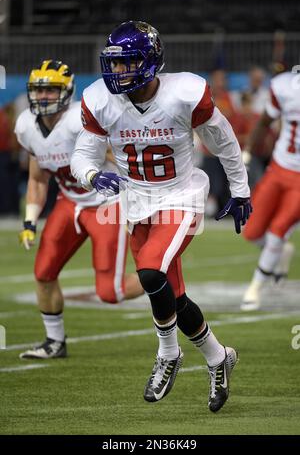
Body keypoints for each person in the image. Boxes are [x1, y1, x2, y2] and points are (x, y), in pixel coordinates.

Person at [71, 21, 252, 412]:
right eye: (114, 64)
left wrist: (240, 189)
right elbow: (81, 156)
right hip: (136, 202)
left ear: (150, 61)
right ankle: (220, 357)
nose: (117, 72)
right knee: (173, 295)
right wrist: (91, 174)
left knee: (150, 271)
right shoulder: (100, 100)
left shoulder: (184, 93)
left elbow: (225, 142)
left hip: (181, 195)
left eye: (126, 63)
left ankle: (168, 353)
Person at [17, 59, 143, 359]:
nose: (43, 97)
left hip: (105, 205)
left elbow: (123, 154)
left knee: (111, 293)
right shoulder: (25, 126)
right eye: (38, 91)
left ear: (67, 92)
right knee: (44, 272)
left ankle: (161, 276)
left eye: (51, 91)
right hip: (70, 201)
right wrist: (30, 221)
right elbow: (38, 177)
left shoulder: (80, 119)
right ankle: (54, 342)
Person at [241, 69, 299, 311]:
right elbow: (265, 120)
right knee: (251, 230)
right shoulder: (285, 86)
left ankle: (255, 286)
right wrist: (248, 151)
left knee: (277, 231)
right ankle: (280, 251)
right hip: (279, 167)